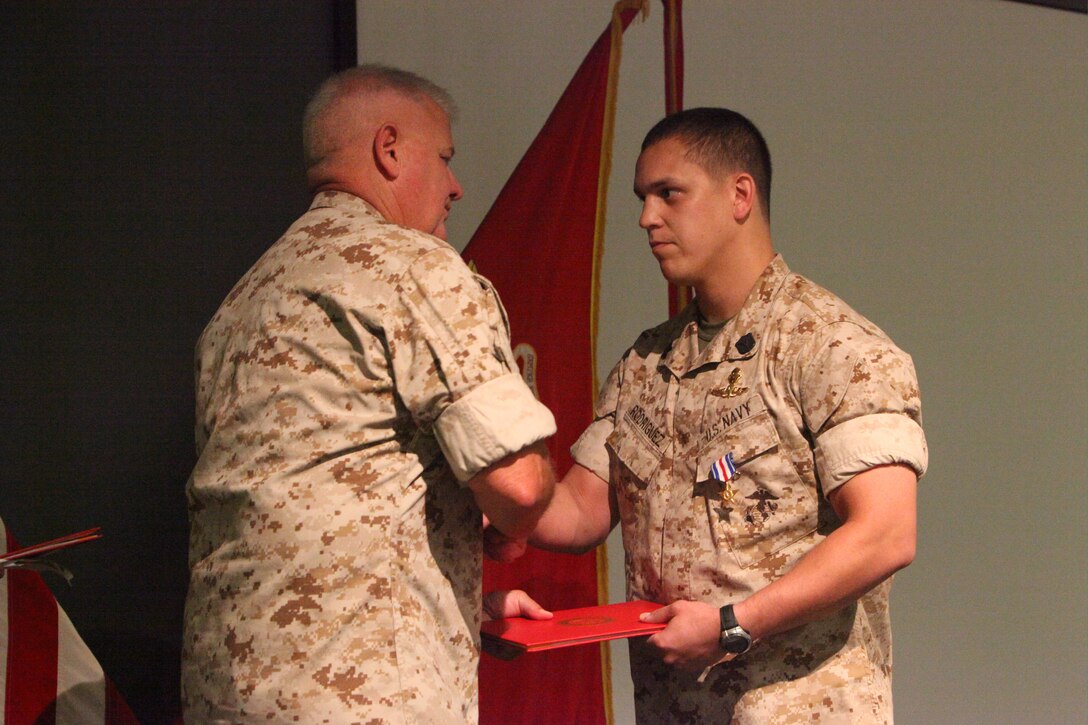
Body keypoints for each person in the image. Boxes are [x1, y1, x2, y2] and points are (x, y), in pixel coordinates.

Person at [511, 107, 928, 722]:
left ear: (740, 195)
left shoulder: (831, 345)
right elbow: (577, 510)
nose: (647, 218)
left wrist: (734, 626)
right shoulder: (647, 363)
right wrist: (497, 482)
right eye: (642, 198)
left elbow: (885, 534)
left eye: (669, 193)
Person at [182, 65, 557, 723]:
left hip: (227, 693)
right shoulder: (413, 266)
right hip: (364, 699)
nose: (455, 186)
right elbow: (519, 486)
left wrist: (454, 583)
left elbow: (308, 503)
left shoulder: (239, 305)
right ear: (389, 149)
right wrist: (512, 522)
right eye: (444, 158)